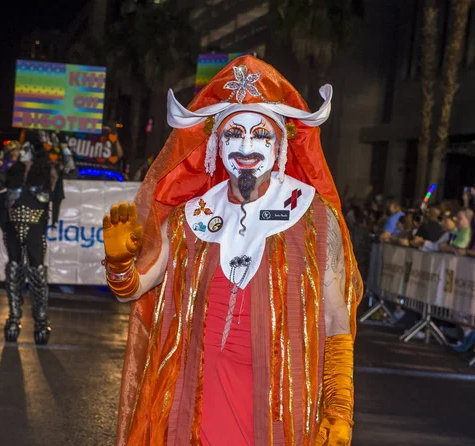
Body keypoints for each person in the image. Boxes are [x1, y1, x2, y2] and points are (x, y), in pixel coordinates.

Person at [103, 56, 362, 445]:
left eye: (260, 135)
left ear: (280, 146)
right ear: (214, 146)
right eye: (232, 134)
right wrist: (119, 263)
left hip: (277, 409)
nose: (246, 147)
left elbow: (335, 318)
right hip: (195, 402)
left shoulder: (313, 217)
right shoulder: (191, 216)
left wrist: (339, 409)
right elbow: (138, 287)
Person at [0, 141, 64, 345]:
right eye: (19, 150)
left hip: (36, 227)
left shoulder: (47, 172)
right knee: (14, 270)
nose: (22, 153)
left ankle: (41, 321)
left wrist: (64, 149)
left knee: (37, 271)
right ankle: (14, 317)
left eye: (26, 149)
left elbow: (68, 172)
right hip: (13, 225)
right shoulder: (11, 172)